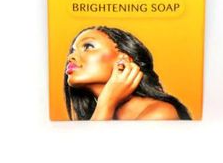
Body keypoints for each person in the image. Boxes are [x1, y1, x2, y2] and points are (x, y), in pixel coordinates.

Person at [64, 25, 192, 120]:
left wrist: (106, 103)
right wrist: (106, 103)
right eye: (72, 51)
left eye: (88, 46)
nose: (71, 57)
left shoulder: (159, 114)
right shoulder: (94, 115)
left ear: (124, 60)